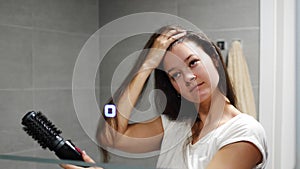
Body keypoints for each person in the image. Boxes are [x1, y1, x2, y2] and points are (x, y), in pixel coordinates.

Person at [61, 26, 268, 169]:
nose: (188, 77)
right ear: (174, 86)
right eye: (175, 74)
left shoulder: (244, 132)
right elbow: (110, 137)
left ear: (214, 59)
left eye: (193, 62)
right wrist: (146, 65)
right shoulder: (177, 125)